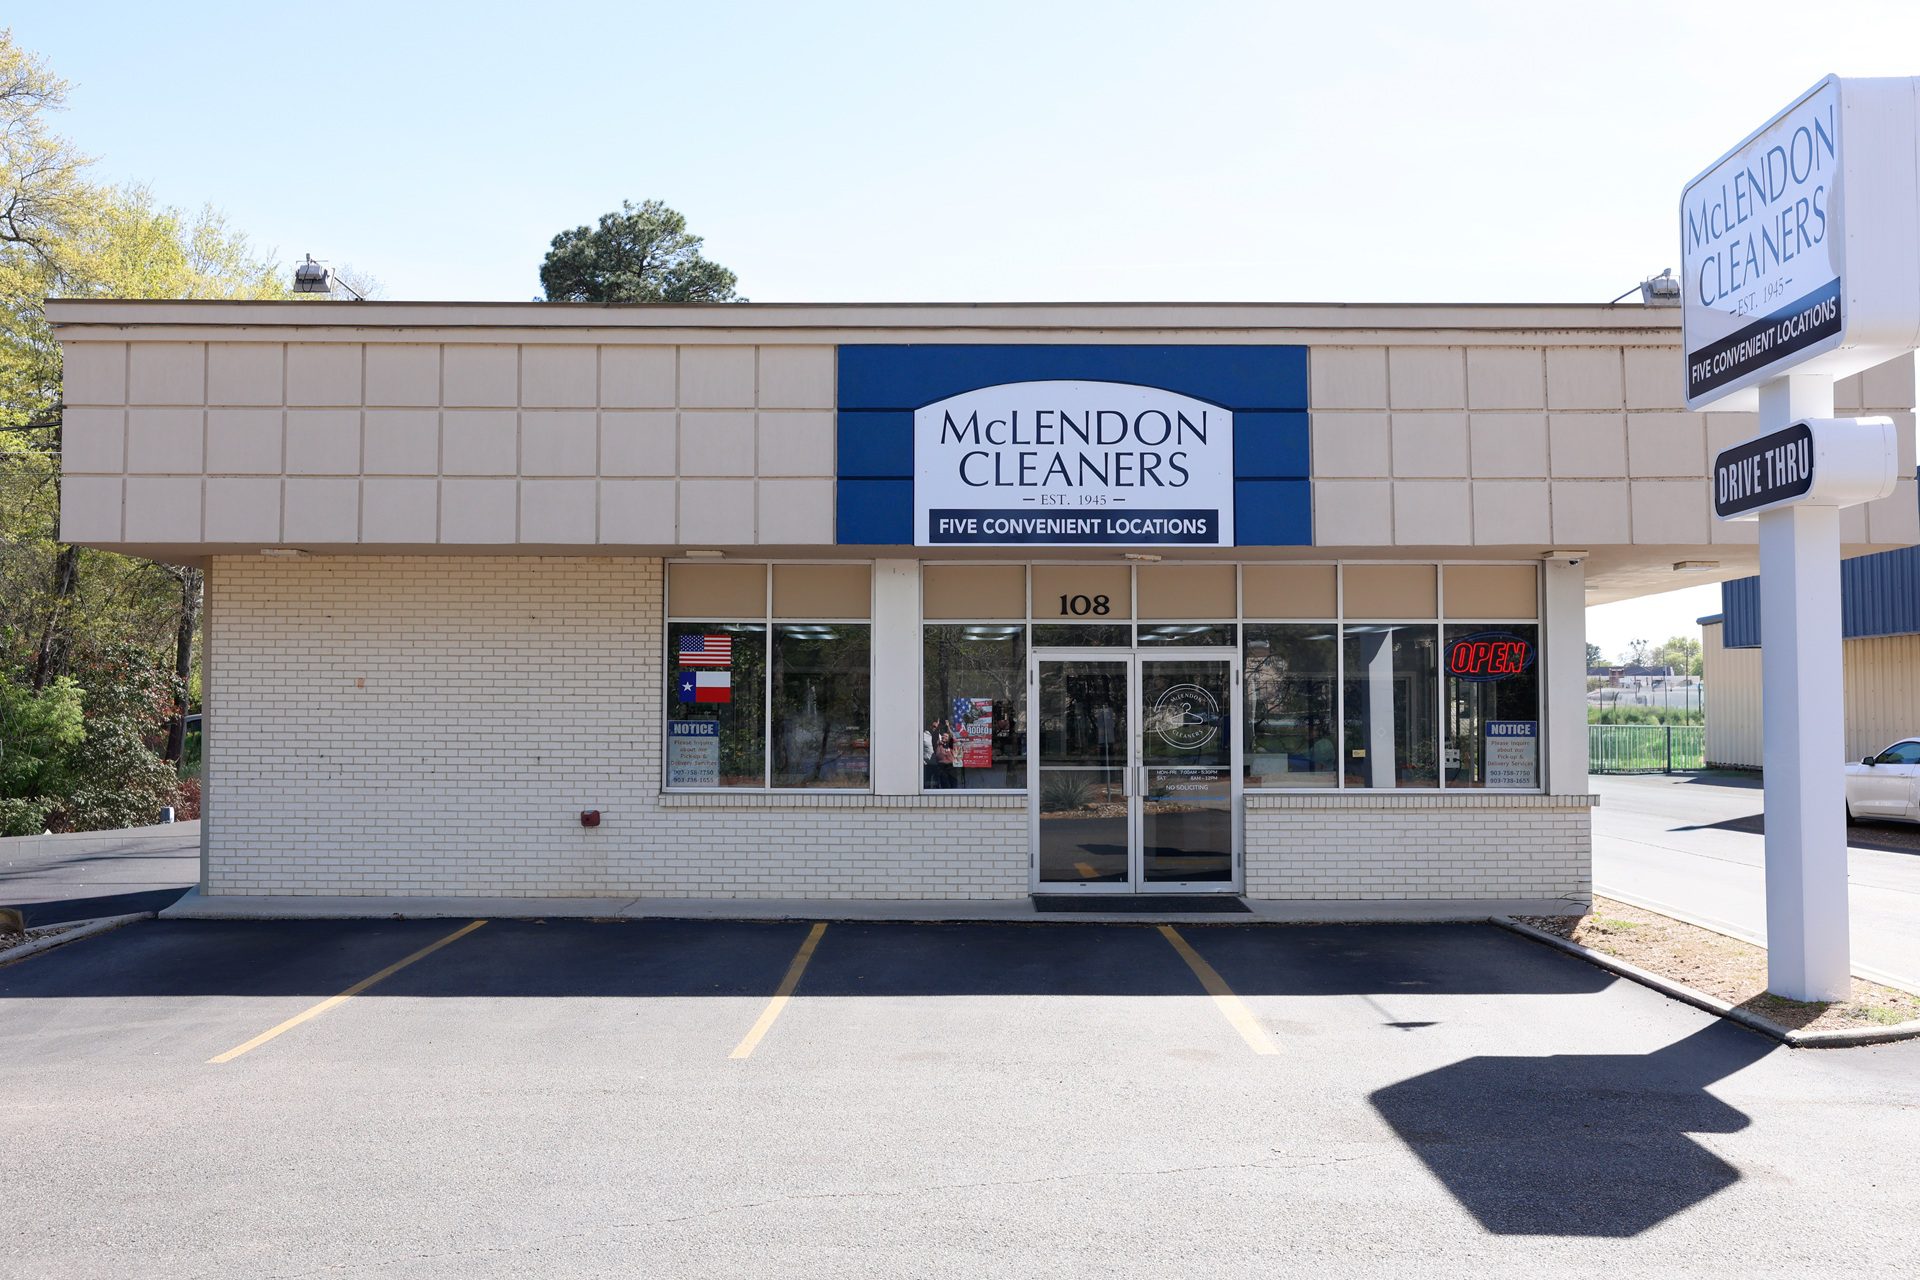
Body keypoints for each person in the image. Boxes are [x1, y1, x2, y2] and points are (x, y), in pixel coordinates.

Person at [935, 718, 957, 788]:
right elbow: (935, 734)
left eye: (946, 736)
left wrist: (948, 726)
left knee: (953, 783)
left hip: (950, 766)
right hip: (941, 766)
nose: (944, 737)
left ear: (948, 738)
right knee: (944, 784)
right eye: (943, 736)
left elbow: (953, 736)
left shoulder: (950, 745)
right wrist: (937, 726)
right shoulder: (938, 744)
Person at [923, 720, 937, 789]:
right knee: (927, 784)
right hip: (927, 764)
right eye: (934, 726)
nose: (935, 728)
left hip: (937, 764)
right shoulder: (923, 735)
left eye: (937, 727)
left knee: (936, 784)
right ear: (930, 726)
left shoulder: (939, 736)